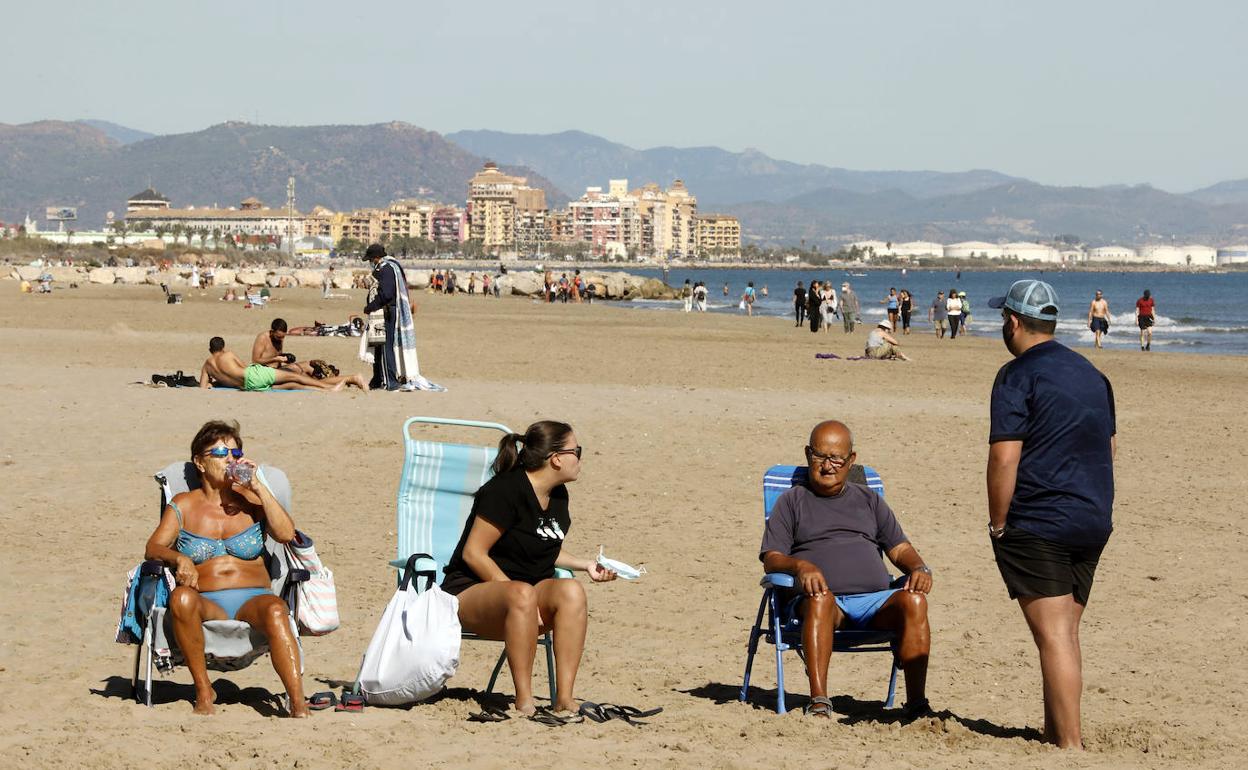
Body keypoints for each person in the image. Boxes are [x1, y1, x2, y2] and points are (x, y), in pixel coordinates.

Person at [986, 279, 1115, 749]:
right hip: (1093, 517)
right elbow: (1109, 447)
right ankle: (1055, 732)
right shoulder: (1092, 374)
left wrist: (998, 523)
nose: (1004, 326)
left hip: (1040, 521)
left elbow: (1004, 457)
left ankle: (1071, 747)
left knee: (1055, 635)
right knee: (1063, 633)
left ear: (1015, 322)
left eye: (1004, 319)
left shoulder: (1016, 375)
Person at [440, 420, 617, 716]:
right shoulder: (505, 491)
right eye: (577, 451)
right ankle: (524, 701)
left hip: (524, 597)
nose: (581, 459)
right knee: (521, 593)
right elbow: (474, 553)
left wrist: (586, 565)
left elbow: (544, 545)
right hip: (470, 593)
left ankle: (564, 699)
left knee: (571, 590)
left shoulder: (558, 495)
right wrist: (518, 593)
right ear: (556, 458)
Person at [760, 420, 933, 719]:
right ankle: (819, 700)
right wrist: (800, 566)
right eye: (820, 456)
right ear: (807, 455)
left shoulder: (869, 501)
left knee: (915, 600)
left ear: (851, 460)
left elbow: (899, 548)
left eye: (836, 458)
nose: (828, 466)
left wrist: (918, 567)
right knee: (821, 599)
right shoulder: (792, 501)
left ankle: (917, 704)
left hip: (874, 602)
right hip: (823, 602)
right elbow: (772, 556)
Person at [143, 420, 309, 716]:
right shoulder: (183, 504)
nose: (230, 458)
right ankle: (204, 691)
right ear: (200, 462)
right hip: (206, 602)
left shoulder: (252, 501)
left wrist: (258, 487)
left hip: (254, 600)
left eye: (235, 452)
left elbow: (285, 534)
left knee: (275, 609)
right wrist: (180, 559)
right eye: (220, 452)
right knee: (181, 597)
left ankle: (298, 702)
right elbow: (153, 548)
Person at [361, 243, 427, 391]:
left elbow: (386, 294)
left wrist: (370, 307)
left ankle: (391, 381)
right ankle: (377, 379)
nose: (371, 263)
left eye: (371, 259)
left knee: (385, 347)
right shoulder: (387, 268)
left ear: (376, 257)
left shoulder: (386, 269)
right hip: (385, 311)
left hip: (386, 312)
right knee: (377, 346)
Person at [201, 336, 358, 391]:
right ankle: (328, 387)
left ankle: (327, 390)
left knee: (292, 385)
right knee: (294, 377)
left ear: (210, 349)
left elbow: (203, 386)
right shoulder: (228, 354)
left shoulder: (207, 365)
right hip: (253, 375)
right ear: (222, 347)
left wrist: (213, 384)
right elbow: (244, 367)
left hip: (247, 386)